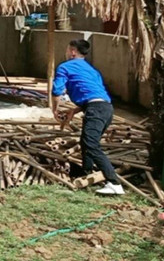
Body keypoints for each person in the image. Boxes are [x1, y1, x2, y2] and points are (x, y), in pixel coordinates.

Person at [52, 39, 124, 195]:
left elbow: (57, 91)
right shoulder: (92, 70)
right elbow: (94, 94)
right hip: (106, 108)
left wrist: (55, 110)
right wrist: (73, 111)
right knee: (86, 143)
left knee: (91, 144)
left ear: (72, 52)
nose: (66, 53)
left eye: (67, 50)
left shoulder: (65, 67)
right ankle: (86, 173)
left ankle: (114, 183)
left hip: (96, 110)